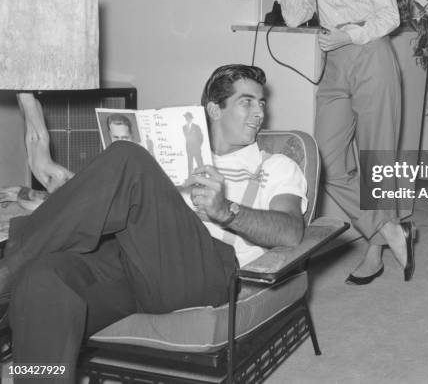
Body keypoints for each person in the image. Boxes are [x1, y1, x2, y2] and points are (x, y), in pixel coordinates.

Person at [0, 64, 306, 383]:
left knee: (128, 157)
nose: (259, 111)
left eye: (261, 102)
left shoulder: (275, 165)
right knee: (43, 279)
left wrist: (225, 209)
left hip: (207, 270)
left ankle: (6, 273)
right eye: (247, 101)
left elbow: (291, 230)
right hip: (131, 264)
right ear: (215, 109)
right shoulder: (170, 155)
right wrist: (57, 197)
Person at [281, 0, 415, 285]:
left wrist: (350, 34)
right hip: (335, 66)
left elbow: (389, 16)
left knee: (376, 162)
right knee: (326, 159)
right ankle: (389, 229)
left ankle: (373, 251)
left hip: (371, 55)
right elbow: (291, 16)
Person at [183, 110, 205, 177]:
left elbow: (201, 137)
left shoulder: (196, 127)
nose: (187, 118)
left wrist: (198, 146)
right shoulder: (184, 127)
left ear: (191, 118)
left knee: (199, 163)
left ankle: (204, 177)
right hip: (189, 149)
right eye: (186, 117)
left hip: (196, 149)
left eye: (188, 117)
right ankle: (190, 178)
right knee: (190, 164)